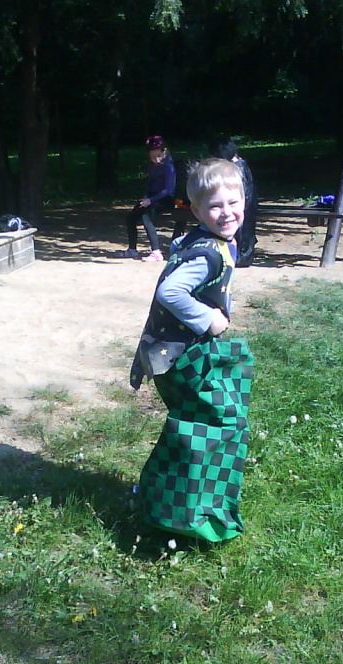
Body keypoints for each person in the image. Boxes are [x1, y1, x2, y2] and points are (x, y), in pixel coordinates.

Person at [129, 158, 255, 543]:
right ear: (197, 211)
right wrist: (207, 318)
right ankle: (180, 509)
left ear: (245, 201)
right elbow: (170, 291)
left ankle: (170, 497)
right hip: (180, 355)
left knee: (200, 421)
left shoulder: (205, 241)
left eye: (233, 202)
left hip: (180, 352)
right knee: (217, 422)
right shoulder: (208, 253)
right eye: (214, 206)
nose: (226, 212)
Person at [123, 135, 176, 263]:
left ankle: (156, 252)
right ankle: (132, 249)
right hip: (152, 198)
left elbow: (168, 190)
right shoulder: (152, 166)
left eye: (158, 155)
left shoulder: (169, 167)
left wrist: (151, 201)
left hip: (166, 199)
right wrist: (146, 198)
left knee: (146, 217)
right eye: (152, 156)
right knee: (131, 217)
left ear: (164, 151)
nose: (156, 159)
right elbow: (150, 184)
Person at [210, 136, 257, 267]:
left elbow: (244, 192)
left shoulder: (238, 167)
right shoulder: (238, 165)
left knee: (242, 233)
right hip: (243, 206)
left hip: (244, 207)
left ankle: (241, 257)